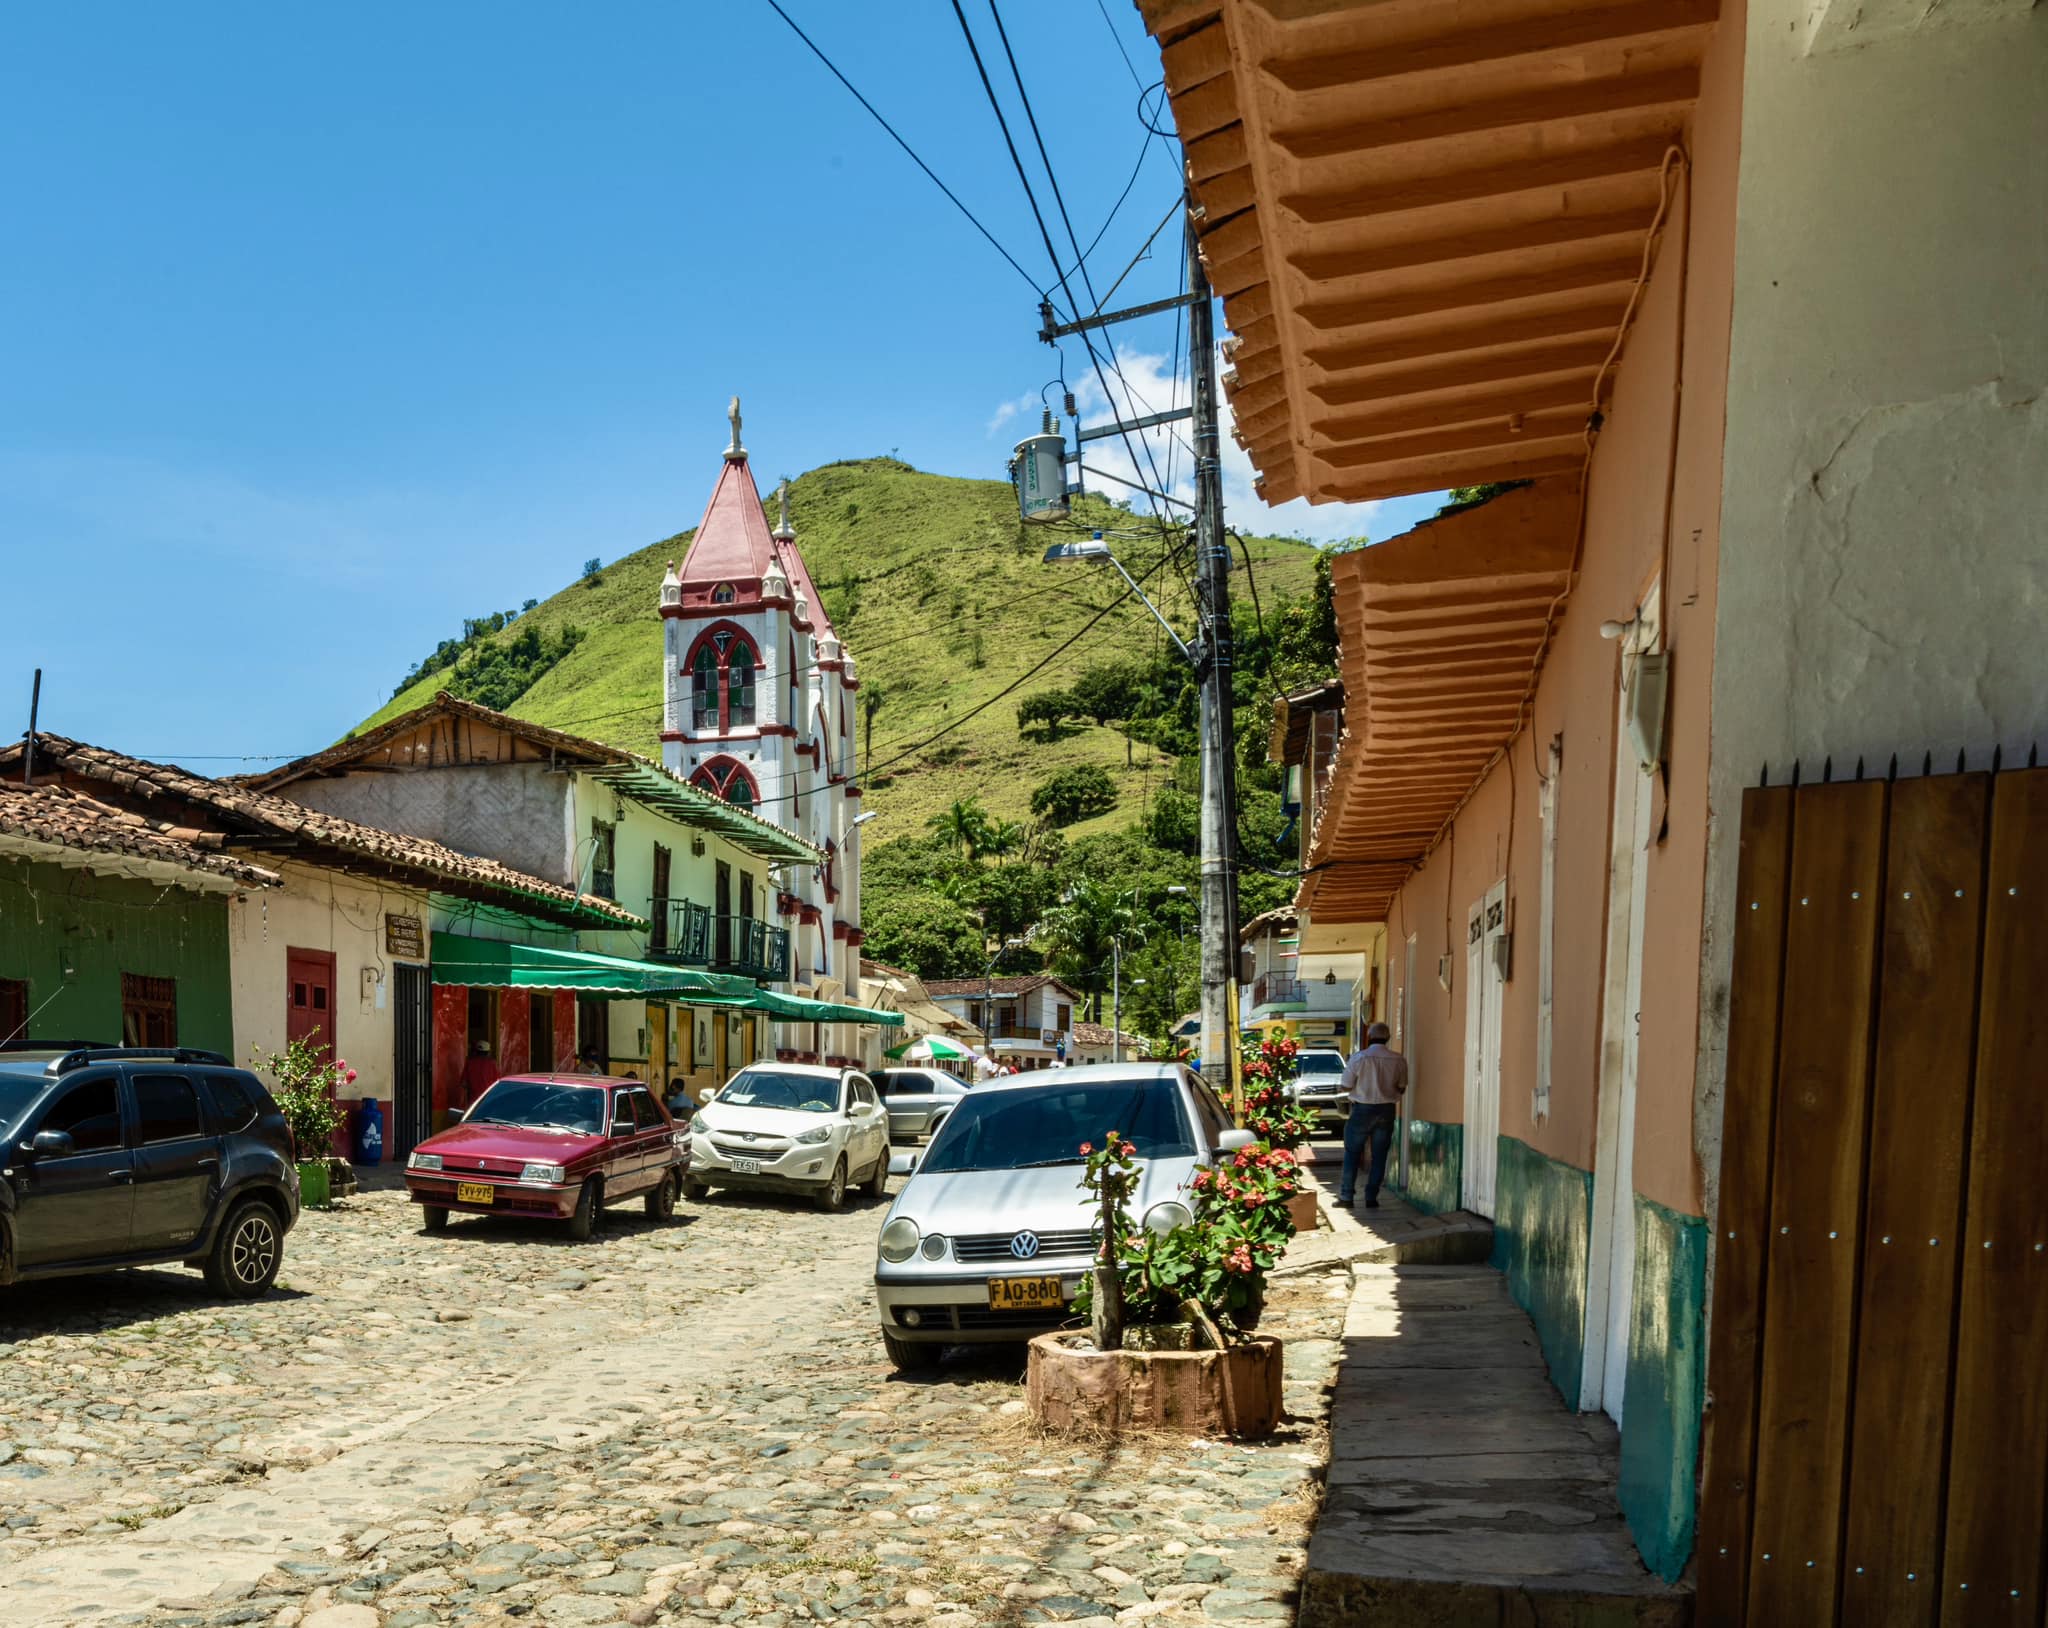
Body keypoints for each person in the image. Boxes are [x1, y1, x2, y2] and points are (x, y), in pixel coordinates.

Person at [1337, 1021, 1407, 1210]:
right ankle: (1371, 1198)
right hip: (1386, 1110)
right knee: (1380, 1155)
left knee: (1352, 1153)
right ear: (1388, 1038)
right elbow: (1402, 1087)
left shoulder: (1359, 1058)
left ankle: (1346, 1196)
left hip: (1362, 1109)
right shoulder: (1398, 1059)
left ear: (1369, 1037)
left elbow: (1346, 1085)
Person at [455, 1040, 498, 1118]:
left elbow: (463, 1083)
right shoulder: (492, 1063)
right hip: (488, 1099)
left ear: (476, 1051)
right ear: (488, 1052)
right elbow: (497, 1082)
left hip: (473, 1100)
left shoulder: (469, 1063)